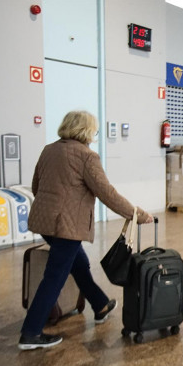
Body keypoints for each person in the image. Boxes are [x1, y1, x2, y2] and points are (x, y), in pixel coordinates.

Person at [19, 110, 153, 350]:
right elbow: (107, 193)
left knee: (78, 264)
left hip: (45, 223)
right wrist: (137, 214)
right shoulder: (86, 157)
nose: (95, 135)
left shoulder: (49, 150)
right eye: (95, 131)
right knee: (55, 277)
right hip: (67, 227)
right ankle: (31, 332)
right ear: (86, 131)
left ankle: (100, 304)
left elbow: (35, 186)